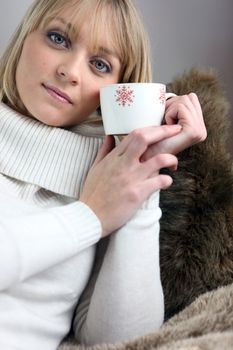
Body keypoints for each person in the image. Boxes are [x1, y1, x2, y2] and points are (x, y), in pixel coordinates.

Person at [0, 0, 207, 349]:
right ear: (24, 38)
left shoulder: (104, 180)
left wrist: (142, 169)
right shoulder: (97, 204)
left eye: (100, 64)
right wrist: (90, 217)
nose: (71, 71)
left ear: (115, 91)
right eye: (58, 38)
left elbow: (119, 338)